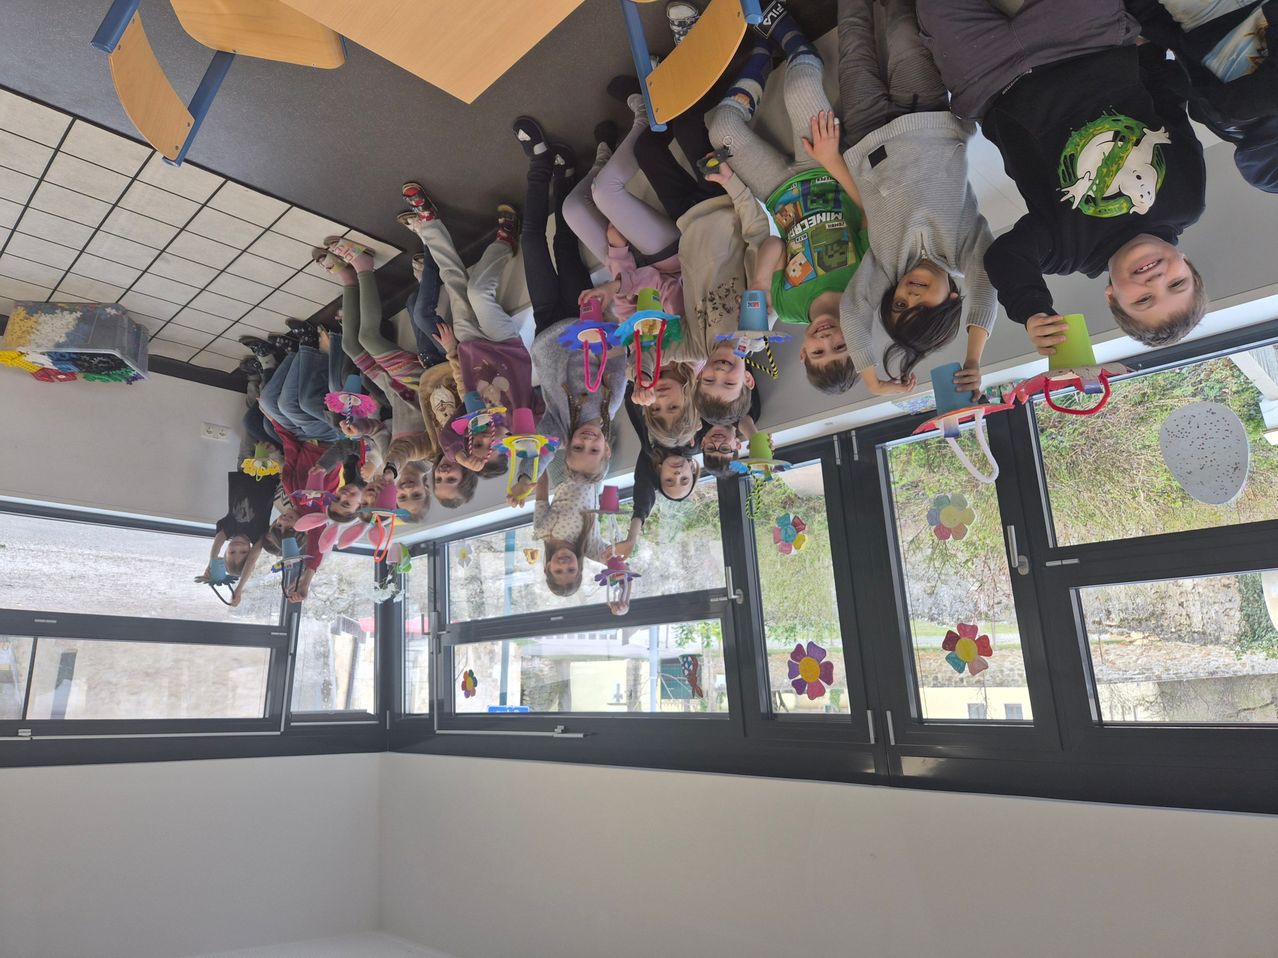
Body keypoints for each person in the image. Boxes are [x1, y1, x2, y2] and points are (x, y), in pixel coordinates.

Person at [916, 0, 1209, 350]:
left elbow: (1005, 257)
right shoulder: (1186, 201)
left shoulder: (1068, 251)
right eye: (1176, 284)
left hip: (990, 76)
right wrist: (1150, 51)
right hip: (1087, 39)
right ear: (1187, 265)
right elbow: (1169, 107)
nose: (1156, 281)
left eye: (1143, 300)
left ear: (1112, 296)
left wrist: (1033, 310)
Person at [835, 0, 997, 398]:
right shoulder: (967, 251)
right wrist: (974, 359)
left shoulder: (885, 268)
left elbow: (854, 310)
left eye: (899, 305)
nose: (909, 296)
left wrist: (872, 381)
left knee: (854, 42)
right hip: (927, 116)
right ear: (953, 297)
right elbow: (989, 283)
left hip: (866, 134)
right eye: (922, 306)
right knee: (903, 30)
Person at [705, 6, 870, 390]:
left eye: (818, 351)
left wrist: (760, 286)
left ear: (802, 352)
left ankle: (761, 57)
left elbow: (776, 245)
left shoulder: (787, 308)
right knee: (800, 88)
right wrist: (831, 159)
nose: (827, 339)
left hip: (777, 191)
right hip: (826, 168)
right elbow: (865, 209)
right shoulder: (862, 286)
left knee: (722, 131)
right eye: (840, 345)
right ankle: (795, 44)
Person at [319, 242, 433, 522]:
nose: (407, 490)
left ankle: (348, 281)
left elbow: (380, 430)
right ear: (426, 489)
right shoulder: (431, 459)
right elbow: (411, 443)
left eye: (402, 497)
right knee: (368, 338)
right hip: (416, 384)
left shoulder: (386, 464)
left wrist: (358, 428)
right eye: (416, 494)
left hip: (390, 386)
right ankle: (364, 268)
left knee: (350, 345)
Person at [1123, 0, 1278, 193]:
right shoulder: (1229, 125)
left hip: (1222, 11)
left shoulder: (1253, 109)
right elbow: (1186, 83)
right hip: (1192, 24)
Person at [199, 469, 279, 607]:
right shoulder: (258, 533)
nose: (237, 547)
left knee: (250, 447)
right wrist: (240, 587)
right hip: (269, 474)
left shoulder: (230, 528)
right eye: (243, 552)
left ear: (225, 551)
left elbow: (218, 540)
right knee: (270, 447)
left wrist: (212, 562)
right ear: (250, 550)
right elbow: (252, 561)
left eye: (231, 552)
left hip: (245, 469)